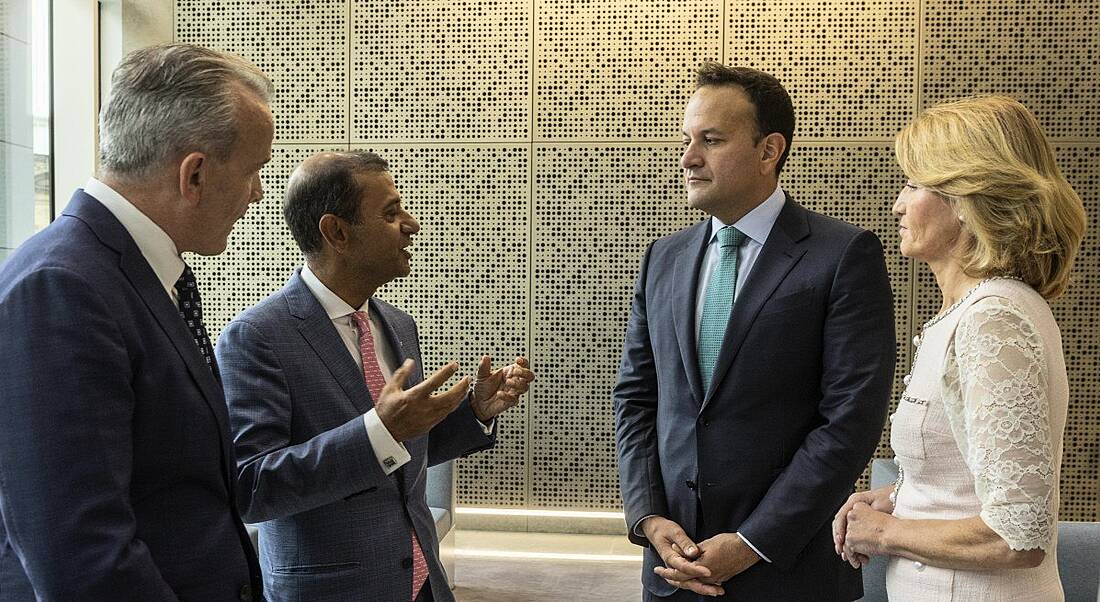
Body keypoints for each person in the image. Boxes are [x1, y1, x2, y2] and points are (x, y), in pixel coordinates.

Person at [613, 62, 897, 601]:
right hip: (673, 570)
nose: (688, 158)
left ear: (769, 151)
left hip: (788, 571)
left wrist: (749, 543)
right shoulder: (663, 259)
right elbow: (636, 398)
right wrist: (648, 516)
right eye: (686, 140)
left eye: (711, 140)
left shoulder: (842, 256)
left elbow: (849, 423)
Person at [0, 44, 273, 600]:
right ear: (193, 175)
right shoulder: (62, 286)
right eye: (254, 172)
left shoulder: (131, 273)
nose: (258, 193)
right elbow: (84, 557)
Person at [215, 150, 535, 602]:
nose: (412, 224)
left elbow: (403, 454)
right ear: (337, 232)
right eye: (390, 213)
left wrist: (475, 412)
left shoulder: (399, 325)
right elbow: (252, 486)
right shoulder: (255, 338)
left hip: (422, 582)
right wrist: (378, 432)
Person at [832, 95, 1086, 601]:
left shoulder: (994, 318)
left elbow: (1018, 534)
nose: (898, 205)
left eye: (913, 185)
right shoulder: (974, 311)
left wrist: (882, 533)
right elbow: (969, 483)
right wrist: (897, 498)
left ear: (969, 199)